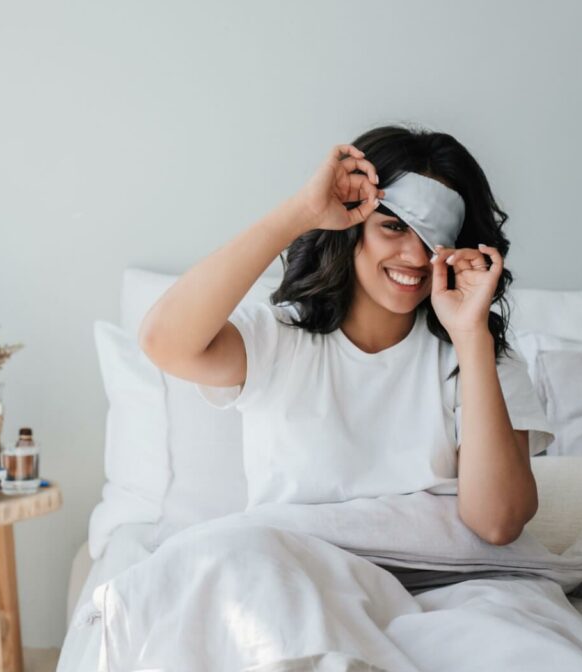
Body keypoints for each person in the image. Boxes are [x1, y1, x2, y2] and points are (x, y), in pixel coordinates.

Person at [138, 123, 554, 547]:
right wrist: (302, 212)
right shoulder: (278, 339)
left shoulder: (480, 355)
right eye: (393, 227)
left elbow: (498, 523)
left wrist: (470, 338)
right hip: (298, 577)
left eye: (434, 240)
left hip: (443, 584)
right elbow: (163, 341)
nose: (415, 256)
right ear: (353, 226)